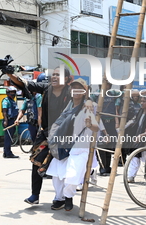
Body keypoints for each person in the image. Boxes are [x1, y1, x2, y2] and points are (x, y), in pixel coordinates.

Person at [4, 68, 72, 205]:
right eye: (53, 74)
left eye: (58, 75)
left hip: (65, 135)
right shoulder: (46, 89)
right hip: (46, 133)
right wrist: (8, 73)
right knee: (36, 161)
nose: (54, 77)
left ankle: (65, 198)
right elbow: (24, 83)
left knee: (64, 167)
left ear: (66, 79)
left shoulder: (71, 92)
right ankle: (35, 195)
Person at [47, 78, 99, 211]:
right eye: (74, 88)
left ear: (84, 92)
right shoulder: (68, 105)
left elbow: (95, 126)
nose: (76, 91)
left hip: (79, 147)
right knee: (57, 175)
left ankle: (68, 196)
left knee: (72, 175)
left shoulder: (88, 106)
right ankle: (60, 198)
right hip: (63, 145)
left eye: (79, 88)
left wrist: (90, 124)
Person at [125, 96, 146, 183]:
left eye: (144, 101)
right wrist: (122, 128)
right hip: (138, 137)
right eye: (141, 101)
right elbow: (133, 121)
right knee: (135, 156)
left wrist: (143, 135)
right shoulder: (140, 111)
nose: (141, 103)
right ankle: (130, 176)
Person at [2, 86, 20, 158]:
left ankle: (6, 152)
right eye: (11, 92)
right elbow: (4, 111)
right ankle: (8, 153)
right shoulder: (6, 100)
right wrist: (6, 120)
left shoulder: (12, 101)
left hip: (13, 120)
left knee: (9, 137)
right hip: (8, 120)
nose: (13, 94)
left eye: (14, 92)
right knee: (8, 137)